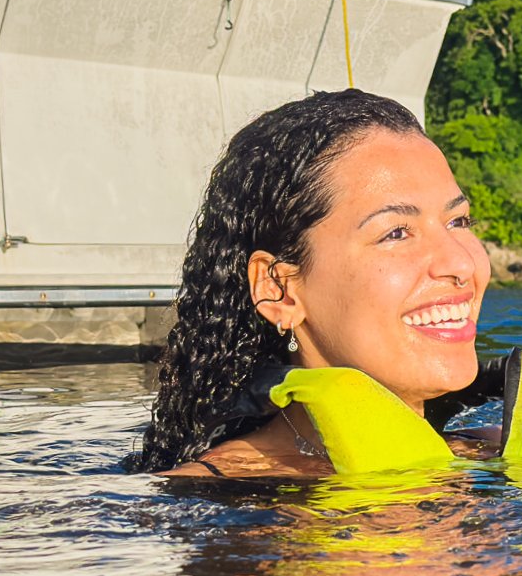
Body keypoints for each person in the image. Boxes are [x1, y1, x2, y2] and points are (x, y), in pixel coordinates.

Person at [128, 90, 498, 477]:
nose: (460, 262)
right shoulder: (205, 499)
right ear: (279, 290)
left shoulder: (500, 452)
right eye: (396, 233)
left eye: (458, 221)